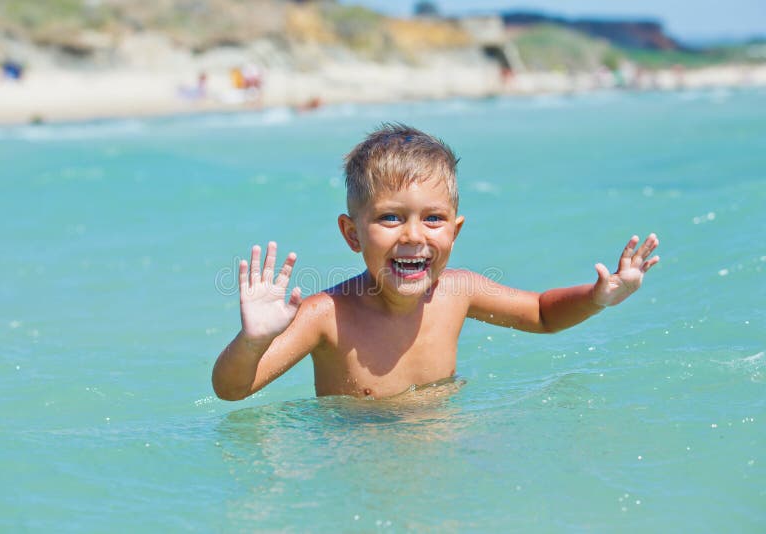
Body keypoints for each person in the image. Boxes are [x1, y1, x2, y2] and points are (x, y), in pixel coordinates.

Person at [212, 124, 660, 401]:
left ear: (455, 231)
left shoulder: (458, 293)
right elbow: (232, 391)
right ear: (352, 234)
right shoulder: (325, 317)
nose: (413, 235)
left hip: (444, 444)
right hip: (360, 460)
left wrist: (598, 297)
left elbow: (542, 314)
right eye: (390, 217)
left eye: (433, 219)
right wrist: (252, 341)